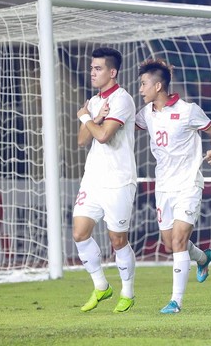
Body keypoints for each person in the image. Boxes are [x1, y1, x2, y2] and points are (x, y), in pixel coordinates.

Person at [134, 58, 211, 314]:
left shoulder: (188, 110)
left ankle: (176, 301)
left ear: (158, 86)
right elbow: (127, 127)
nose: (140, 90)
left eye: (143, 84)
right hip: (163, 187)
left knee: (180, 239)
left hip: (188, 184)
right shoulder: (146, 114)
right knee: (170, 243)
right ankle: (203, 259)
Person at [73, 47, 137, 313]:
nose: (92, 73)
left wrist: (87, 118)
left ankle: (128, 292)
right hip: (93, 179)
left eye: (97, 68)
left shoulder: (122, 100)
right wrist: (94, 117)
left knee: (117, 240)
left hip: (119, 180)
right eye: (91, 68)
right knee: (79, 233)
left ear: (113, 72)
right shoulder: (94, 101)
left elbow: (103, 136)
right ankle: (101, 286)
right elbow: (81, 140)